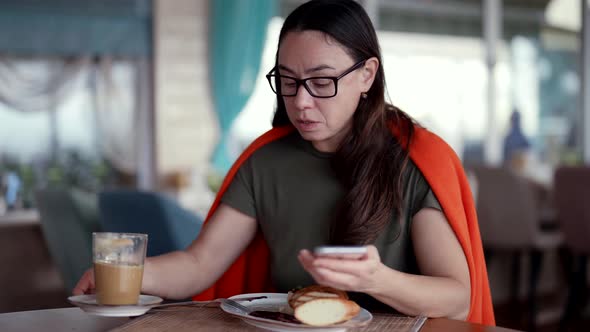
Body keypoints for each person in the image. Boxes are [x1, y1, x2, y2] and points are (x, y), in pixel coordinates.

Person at [74, 0, 494, 325]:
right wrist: (126, 271)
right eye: (288, 81)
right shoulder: (266, 162)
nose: (300, 101)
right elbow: (199, 264)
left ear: (366, 75)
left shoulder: (416, 160)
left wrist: (376, 279)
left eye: (321, 81)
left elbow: (457, 298)